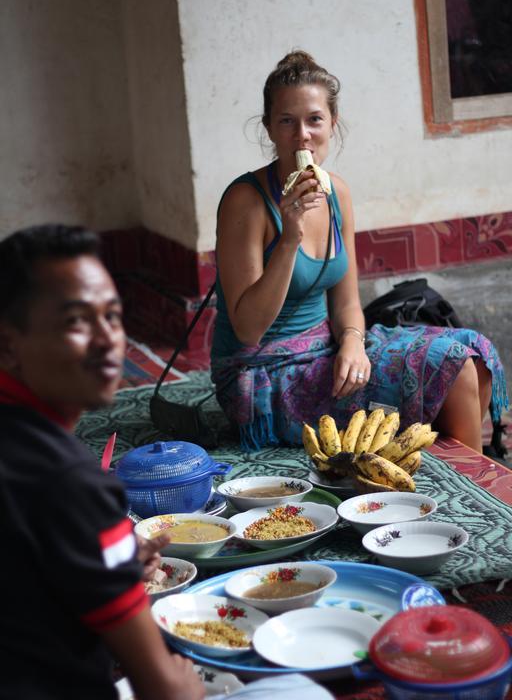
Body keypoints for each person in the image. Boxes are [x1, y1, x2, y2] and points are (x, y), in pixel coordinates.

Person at [0, 223, 332, 700]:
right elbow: (163, 688)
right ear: (9, 344)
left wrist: (97, 566)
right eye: (76, 321)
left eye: (113, 317)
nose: (106, 340)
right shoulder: (70, 481)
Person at [211, 51, 508, 453]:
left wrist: (352, 343)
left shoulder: (338, 193)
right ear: (268, 127)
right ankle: (471, 489)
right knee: (451, 369)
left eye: (314, 119)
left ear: (333, 123)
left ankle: (456, 477)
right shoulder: (246, 201)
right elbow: (248, 329)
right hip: (263, 374)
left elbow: (348, 301)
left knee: (471, 356)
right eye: (287, 121)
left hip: (328, 349)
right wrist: (290, 236)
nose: (302, 135)